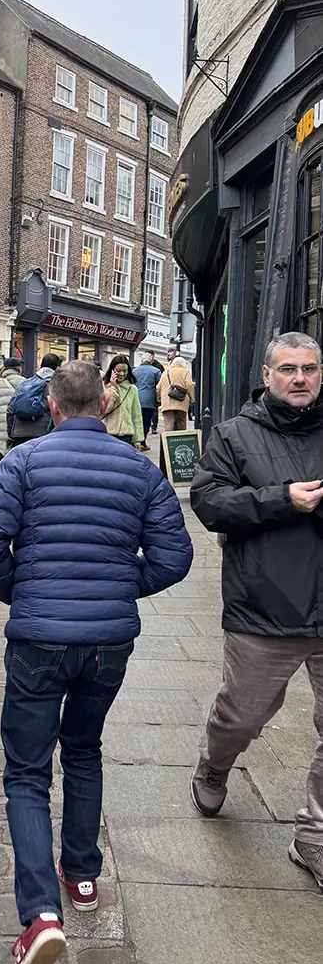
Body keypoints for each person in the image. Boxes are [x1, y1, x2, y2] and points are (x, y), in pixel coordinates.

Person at [0, 360, 192, 964]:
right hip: (107, 644)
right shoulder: (141, 470)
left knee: (27, 772)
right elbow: (175, 556)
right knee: (85, 748)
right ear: (105, 405)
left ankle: (40, 916)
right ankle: (83, 873)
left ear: (54, 407)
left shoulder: (23, 463)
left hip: (39, 638)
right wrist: (119, 588)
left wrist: (21, 591)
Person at [189, 331, 323, 889]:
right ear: (267, 375)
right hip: (266, 606)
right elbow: (208, 502)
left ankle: (314, 836)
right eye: (288, 369)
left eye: (309, 368)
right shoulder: (234, 435)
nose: (300, 378)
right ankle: (215, 764)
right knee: (241, 716)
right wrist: (282, 499)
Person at [7, 354, 62, 447]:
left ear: (41, 365)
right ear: (57, 368)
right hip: (42, 435)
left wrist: (11, 432)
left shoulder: (26, 383)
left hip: (19, 434)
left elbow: (11, 408)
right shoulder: (55, 387)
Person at [102, 356, 144, 447]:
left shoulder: (132, 389)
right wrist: (113, 388)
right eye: (118, 371)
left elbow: (136, 415)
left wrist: (137, 440)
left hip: (126, 436)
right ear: (112, 370)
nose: (122, 374)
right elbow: (104, 410)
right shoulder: (104, 387)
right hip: (108, 434)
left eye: (125, 371)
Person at [0, 357, 24, 457]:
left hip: (1, 420)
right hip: (18, 421)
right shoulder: (24, 382)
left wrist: (0, 409)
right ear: (18, 368)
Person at [157, 353, 195, 432]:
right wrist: (192, 398)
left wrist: (159, 398)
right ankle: (180, 439)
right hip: (182, 401)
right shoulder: (185, 371)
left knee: (168, 424)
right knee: (181, 423)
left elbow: (158, 387)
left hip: (167, 402)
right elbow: (189, 385)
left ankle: (168, 439)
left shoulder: (166, 372)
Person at [133, 351, 160, 450]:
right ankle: (142, 442)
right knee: (146, 423)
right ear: (151, 361)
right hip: (149, 401)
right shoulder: (156, 371)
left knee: (135, 421)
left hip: (136, 399)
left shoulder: (134, 371)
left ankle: (135, 441)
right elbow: (159, 386)